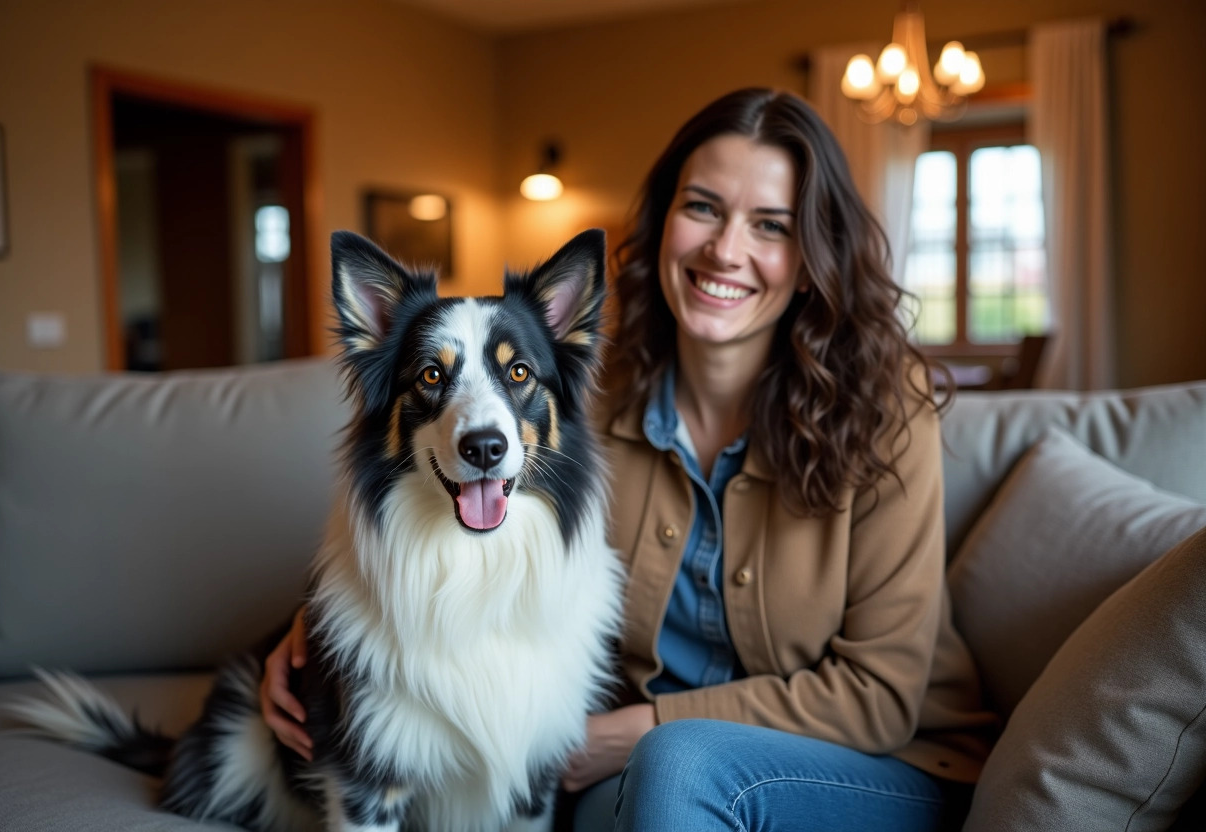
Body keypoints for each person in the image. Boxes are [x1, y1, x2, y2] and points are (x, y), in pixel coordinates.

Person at [261, 87, 998, 831]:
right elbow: (461, 568)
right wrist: (322, 636)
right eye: (703, 208)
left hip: (870, 766)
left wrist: (640, 729)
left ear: (810, 260)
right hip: (636, 773)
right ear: (662, 224)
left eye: (770, 225)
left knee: (677, 766)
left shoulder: (887, 409)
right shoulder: (569, 404)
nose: (725, 250)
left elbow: (881, 695)